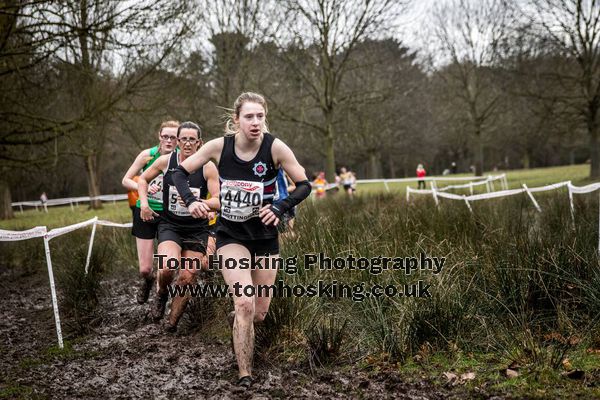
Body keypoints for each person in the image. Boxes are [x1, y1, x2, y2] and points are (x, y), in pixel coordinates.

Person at [171, 92, 311, 388]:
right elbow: (179, 173)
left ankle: (238, 326)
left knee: (258, 313)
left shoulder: (275, 148)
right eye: (249, 116)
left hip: (264, 238)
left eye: (260, 116)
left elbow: (304, 184)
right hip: (230, 236)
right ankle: (244, 374)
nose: (256, 122)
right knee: (245, 302)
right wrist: (189, 200)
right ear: (236, 121)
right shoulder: (219, 147)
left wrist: (279, 207)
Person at [137, 121, 220, 332]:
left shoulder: (208, 167)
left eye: (193, 139)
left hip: (196, 229)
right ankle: (162, 292)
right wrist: (144, 205)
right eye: (184, 139)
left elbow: (219, 200)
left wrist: (202, 203)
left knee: (188, 277)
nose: (188, 143)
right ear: (177, 141)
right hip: (170, 225)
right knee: (167, 268)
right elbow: (142, 180)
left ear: (200, 143)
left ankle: (171, 323)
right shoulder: (166, 162)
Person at [122, 120, 179, 305]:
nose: (169, 141)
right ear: (159, 136)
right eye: (165, 137)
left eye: (173, 137)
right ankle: (148, 281)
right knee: (145, 269)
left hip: (168, 216)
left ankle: (161, 296)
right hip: (145, 211)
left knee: (166, 266)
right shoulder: (147, 155)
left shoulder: (182, 158)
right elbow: (126, 180)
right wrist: (142, 189)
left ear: (178, 139)